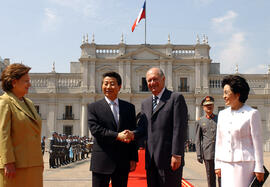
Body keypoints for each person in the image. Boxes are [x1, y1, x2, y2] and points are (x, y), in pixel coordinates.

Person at [131, 67, 188, 187]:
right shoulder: (145, 103)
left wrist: (177, 154)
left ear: (163, 79)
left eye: (155, 79)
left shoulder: (175, 98)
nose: (152, 83)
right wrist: (131, 134)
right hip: (151, 160)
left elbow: (179, 128)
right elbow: (142, 128)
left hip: (170, 159)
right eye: (149, 80)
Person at [88, 71, 138, 187]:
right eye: (106, 84)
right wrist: (117, 136)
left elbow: (132, 132)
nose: (108, 87)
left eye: (112, 84)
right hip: (101, 161)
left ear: (119, 87)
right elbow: (96, 130)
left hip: (122, 161)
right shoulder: (93, 107)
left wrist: (133, 158)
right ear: (102, 86)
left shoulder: (129, 108)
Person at [215, 75, 264, 187]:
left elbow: (258, 143)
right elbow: (219, 141)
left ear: (237, 94)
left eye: (227, 93)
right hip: (225, 164)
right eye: (223, 93)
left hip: (245, 165)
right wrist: (217, 164)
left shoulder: (252, 114)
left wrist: (259, 167)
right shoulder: (222, 115)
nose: (224, 96)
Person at [0, 63, 43, 187]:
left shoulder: (28, 102)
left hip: (33, 165)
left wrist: (39, 162)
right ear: (14, 82)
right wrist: (8, 162)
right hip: (14, 167)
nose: (29, 84)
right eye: (26, 81)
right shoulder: (4, 103)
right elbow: (3, 135)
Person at [195, 96, 221, 187]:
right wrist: (199, 154)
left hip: (220, 153)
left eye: (210, 105)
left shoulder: (220, 119)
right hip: (208, 153)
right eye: (206, 105)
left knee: (221, 176)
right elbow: (198, 139)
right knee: (210, 177)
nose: (209, 107)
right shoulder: (200, 121)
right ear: (203, 107)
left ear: (213, 106)